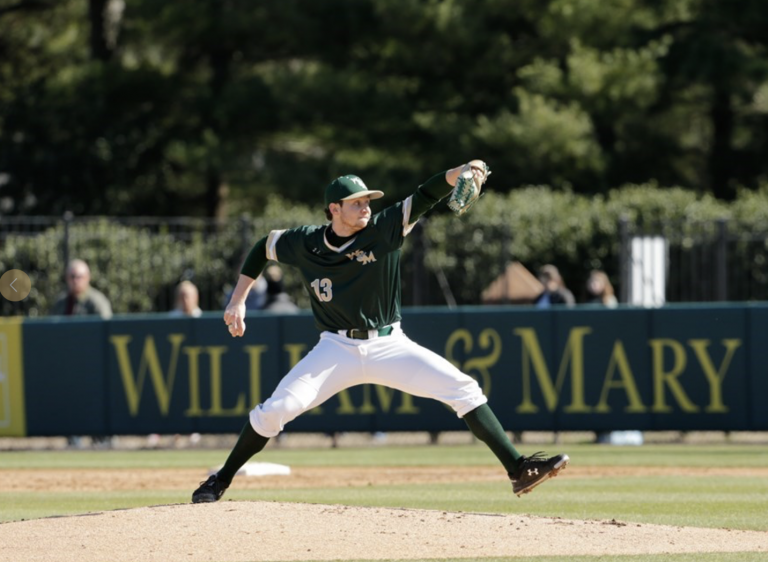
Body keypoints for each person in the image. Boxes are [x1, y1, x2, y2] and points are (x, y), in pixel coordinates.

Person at [192, 161, 569, 503]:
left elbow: (425, 195)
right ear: (334, 209)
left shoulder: (385, 229)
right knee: (276, 411)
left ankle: (519, 469)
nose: (366, 206)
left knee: (464, 389)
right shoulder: (305, 241)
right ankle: (220, 479)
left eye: (368, 200)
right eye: (356, 202)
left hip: (390, 344)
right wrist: (238, 299)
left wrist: (461, 172)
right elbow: (264, 246)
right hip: (335, 348)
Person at [50, 259, 113, 448]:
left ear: (88, 278)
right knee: (69, 401)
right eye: (71, 276)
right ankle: (73, 438)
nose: (75, 280)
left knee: (94, 402)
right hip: (67, 364)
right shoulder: (61, 302)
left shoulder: (96, 301)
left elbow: (106, 331)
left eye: (79, 276)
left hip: (92, 363)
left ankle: (102, 439)